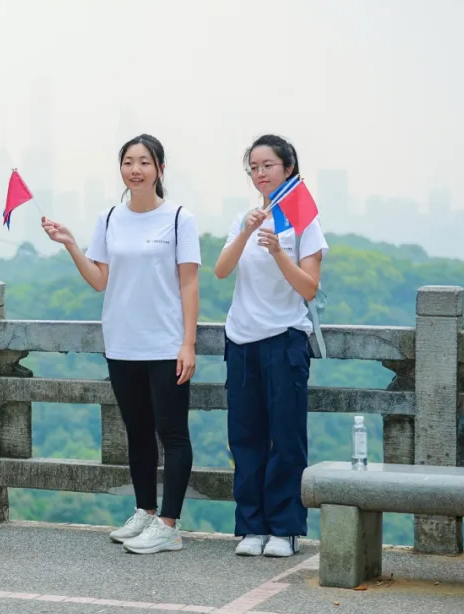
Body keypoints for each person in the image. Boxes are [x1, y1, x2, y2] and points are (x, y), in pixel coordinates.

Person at [41, 134, 200, 555]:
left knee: (173, 433)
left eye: (145, 162)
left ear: (160, 169)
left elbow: (189, 283)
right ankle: (145, 511)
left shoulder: (179, 218)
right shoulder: (110, 218)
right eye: (128, 162)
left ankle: (169, 525)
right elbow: (100, 280)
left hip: (165, 344)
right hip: (122, 342)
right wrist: (71, 244)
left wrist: (188, 343)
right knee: (137, 432)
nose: (136, 169)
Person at [213, 134, 328, 559]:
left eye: (268, 166)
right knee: (245, 436)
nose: (260, 174)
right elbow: (221, 270)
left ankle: (285, 528)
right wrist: (246, 231)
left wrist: (280, 252)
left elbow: (309, 287)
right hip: (242, 339)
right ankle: (252, 526)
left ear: (288, 169)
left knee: (286, 436)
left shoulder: (303, 220)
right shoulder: (244, 219)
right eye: (254, 168)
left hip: (285, 338)